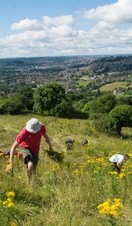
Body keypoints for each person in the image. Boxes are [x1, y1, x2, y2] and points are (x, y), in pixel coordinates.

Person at [6, 118, 54, 182]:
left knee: (34, 169)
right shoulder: (24, 132)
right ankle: (29, 183)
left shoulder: (42, 127)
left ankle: (32, 182)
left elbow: (46, 137)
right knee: (30, 165)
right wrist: (11, 162)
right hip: (26, 148)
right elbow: (13, 146)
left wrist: (51, 147)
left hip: (36, 150)